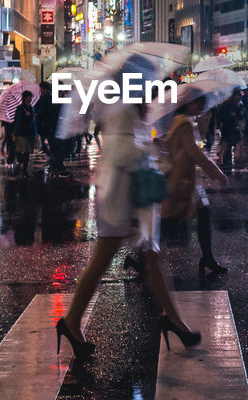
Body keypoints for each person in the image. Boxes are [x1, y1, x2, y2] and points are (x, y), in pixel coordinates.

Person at [57, 96, 200, 359]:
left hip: (133, 197)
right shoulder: (118, 104)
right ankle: (71, 321)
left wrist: (152, 142)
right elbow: (121, 150)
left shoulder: (129, 104)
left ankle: (175, 321)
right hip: (120, 199)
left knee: (152, 259)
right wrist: (150, 149)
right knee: (102, 262)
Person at [160, 86, 232, 276]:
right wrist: (216, 172)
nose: (201, 105)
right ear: (187, 103)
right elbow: (194, 152)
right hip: (182, 180)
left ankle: (207, 258)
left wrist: (205, 117)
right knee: (171, 222)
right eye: (197, 102)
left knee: (201, 216)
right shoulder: (182, 123)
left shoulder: (183, 121)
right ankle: (144, 259)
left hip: (189, 180)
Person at [10, 91, 38, 177]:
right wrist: (26, 116)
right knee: (20, 150)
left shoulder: (32, 108)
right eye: (28, 97)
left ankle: (24, 171)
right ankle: (19, 160)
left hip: (30, 132)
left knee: (27, 152)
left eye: (31, 97)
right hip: (22, 133)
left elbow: (33, 120)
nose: (30, 99)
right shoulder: (20, 108)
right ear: (24, 98)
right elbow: (18, 121)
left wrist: (32, 116)